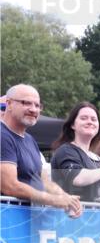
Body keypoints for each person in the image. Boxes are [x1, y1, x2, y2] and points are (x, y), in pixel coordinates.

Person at [1, 84, 82, 219]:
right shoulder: (2, 135)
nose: (33, 109)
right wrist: (55, 200)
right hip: (7, 226)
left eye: (38, 105)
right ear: (9, 104)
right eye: (26, 103)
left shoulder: (30, 140)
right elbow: (10, 186)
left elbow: (44, 181)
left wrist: (68, 199)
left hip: (26, 225)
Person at [50, 102, 100, 205]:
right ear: (73, 125)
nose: (90, 122)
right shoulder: (66, 151)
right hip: (71, 217)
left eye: (94, 119)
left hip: (98, 218)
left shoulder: (97, 159)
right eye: (84, 118)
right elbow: (78, 178)